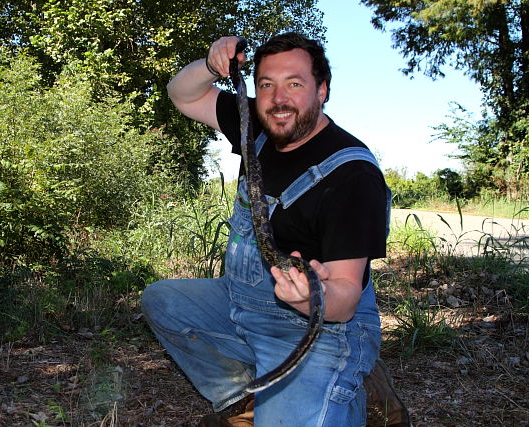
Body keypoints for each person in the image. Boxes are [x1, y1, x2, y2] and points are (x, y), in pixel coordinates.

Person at [141, 32, 411, 426]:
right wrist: (212, 64)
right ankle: (249, 397)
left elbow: (346, 297)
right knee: (164, 301)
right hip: (241, 304)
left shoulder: (352, 176)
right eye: (267, 84)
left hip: (318, 328)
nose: (278, 98)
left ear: (323, 91)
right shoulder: (256, 124)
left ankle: (350, 384)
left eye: (295, 84)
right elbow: (182, 94)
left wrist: (309, 298)